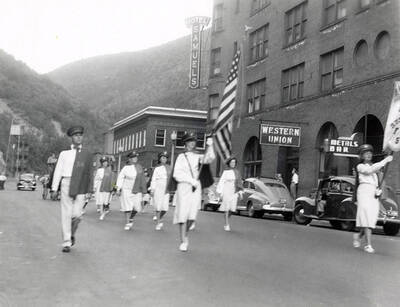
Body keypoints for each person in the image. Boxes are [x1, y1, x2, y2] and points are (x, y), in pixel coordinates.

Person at [51, 126, 94, 253]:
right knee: (66, 214)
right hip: (66, 183)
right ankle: (66, 242)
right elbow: (58, 171)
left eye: (80, 135)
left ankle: (71, 233)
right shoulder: (64, 154)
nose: (79, 137)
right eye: (76, 135)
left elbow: (90, 172)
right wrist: (54, 188)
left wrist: (90, 189)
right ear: (71, 138)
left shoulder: (87, 154)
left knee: (77, 215)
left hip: (80, 184)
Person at [173, 132, 215, 252]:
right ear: (185, 144)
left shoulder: (197, 156)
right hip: (184, 186)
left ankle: (185, 235)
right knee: (183, 213)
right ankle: (183, 240)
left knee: (192, 214)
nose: (192, 143)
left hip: (196, 188)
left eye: (193, 141)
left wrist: (210, 145)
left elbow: (210, 158)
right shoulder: (181, 157)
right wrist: (191, 181)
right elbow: (177, 174)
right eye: (189, 141)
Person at [353, 144, 393, 253]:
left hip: (372, 194)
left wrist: (378, 190)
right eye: (366, 153)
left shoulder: (375, 170)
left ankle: (359, 236)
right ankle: (368, 245)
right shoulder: (360, 166)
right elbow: (369, 170)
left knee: (371, 219)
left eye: (370, 153)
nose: (368, 155)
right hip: (363, 192)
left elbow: (376, 180)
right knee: (366, 217)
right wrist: (384, 161)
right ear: (361, 156)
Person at [116, 151, 147, 230]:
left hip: (137, 190)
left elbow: (143, 179)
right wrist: (118, 188)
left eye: (136, 157)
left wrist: (144, 191)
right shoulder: (125, 168)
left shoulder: (139, 167)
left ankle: (131, 217)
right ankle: (127, 222)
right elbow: (120, 178)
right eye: (133, 157)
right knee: (127, 207)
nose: (135, 158)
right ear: (129, 159)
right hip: (126, 189)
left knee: (137, 208)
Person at [217, 157, 243, 231]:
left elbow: (239, 183)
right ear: (229, 163)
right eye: (232, 162)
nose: (233, 164)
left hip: (234, 191)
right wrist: (220, 192)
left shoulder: (237, 172)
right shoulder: (225, 172)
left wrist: (240, 193)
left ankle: (226, 219)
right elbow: (221, 182)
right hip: (227, 190)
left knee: (232, 209)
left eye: (234, 162)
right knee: (227, 207)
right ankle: (227, 224)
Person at [150, 151, 172, 230]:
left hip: (166, 189)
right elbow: (153, 179)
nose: (164, 159)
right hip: (158, 188)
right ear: (159, 159)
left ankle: (159, 217)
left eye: (166, 158)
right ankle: (159, 222)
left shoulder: (169, 167)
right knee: (158, 206)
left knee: (165, 208)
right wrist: (152, 189)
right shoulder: (156, 168)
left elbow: (172, 179)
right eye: (163, 157)